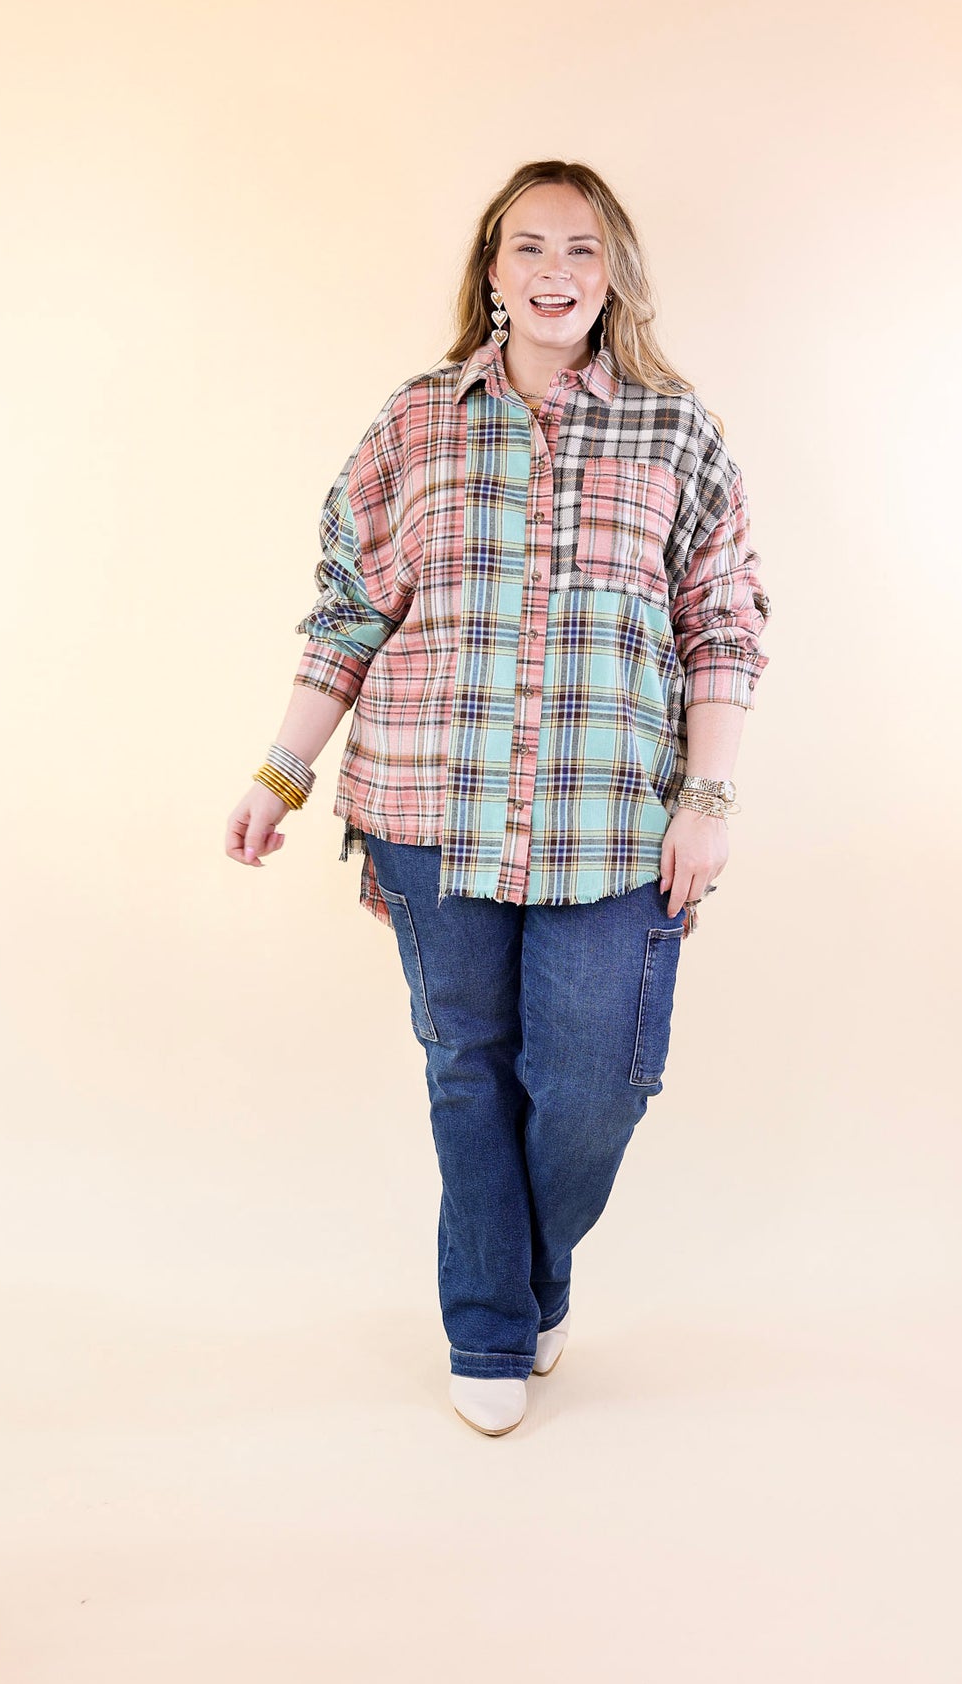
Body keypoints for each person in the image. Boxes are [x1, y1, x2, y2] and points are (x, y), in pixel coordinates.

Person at [225, 159, 771, 1438]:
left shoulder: (675, 432)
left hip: (613, 824)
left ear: (612, 274)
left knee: (593, 1086)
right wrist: (281, 772)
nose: (554, 272)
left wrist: (709, 798)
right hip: (429, 805)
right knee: (467, 1069)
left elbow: (724, 622)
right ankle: (489, 1323)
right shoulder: (417, 421)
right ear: (492, 269)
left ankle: (529, 1279)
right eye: (529, 246)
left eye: (581, 249)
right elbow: (351, 609)